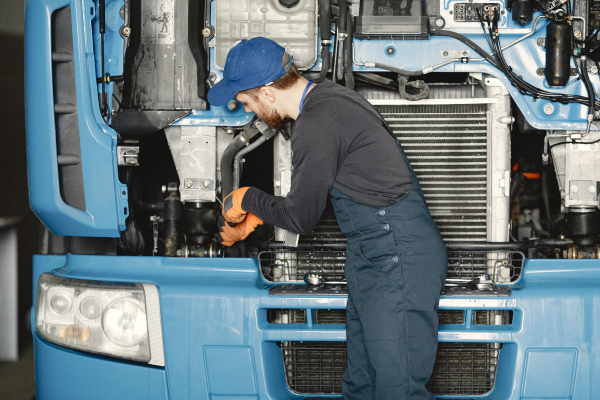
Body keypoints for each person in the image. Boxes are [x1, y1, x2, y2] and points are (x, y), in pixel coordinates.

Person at [207, 37, 448, 400]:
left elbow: (302, 218)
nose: (249, 111)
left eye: (247, 101)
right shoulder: (330, 98)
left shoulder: (316, 123)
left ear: (268, 93)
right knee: (361, 385)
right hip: (374, 255)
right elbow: (344, 184)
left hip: (398, 257)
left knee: (399, 390)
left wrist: (247, 198)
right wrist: (257, 218)